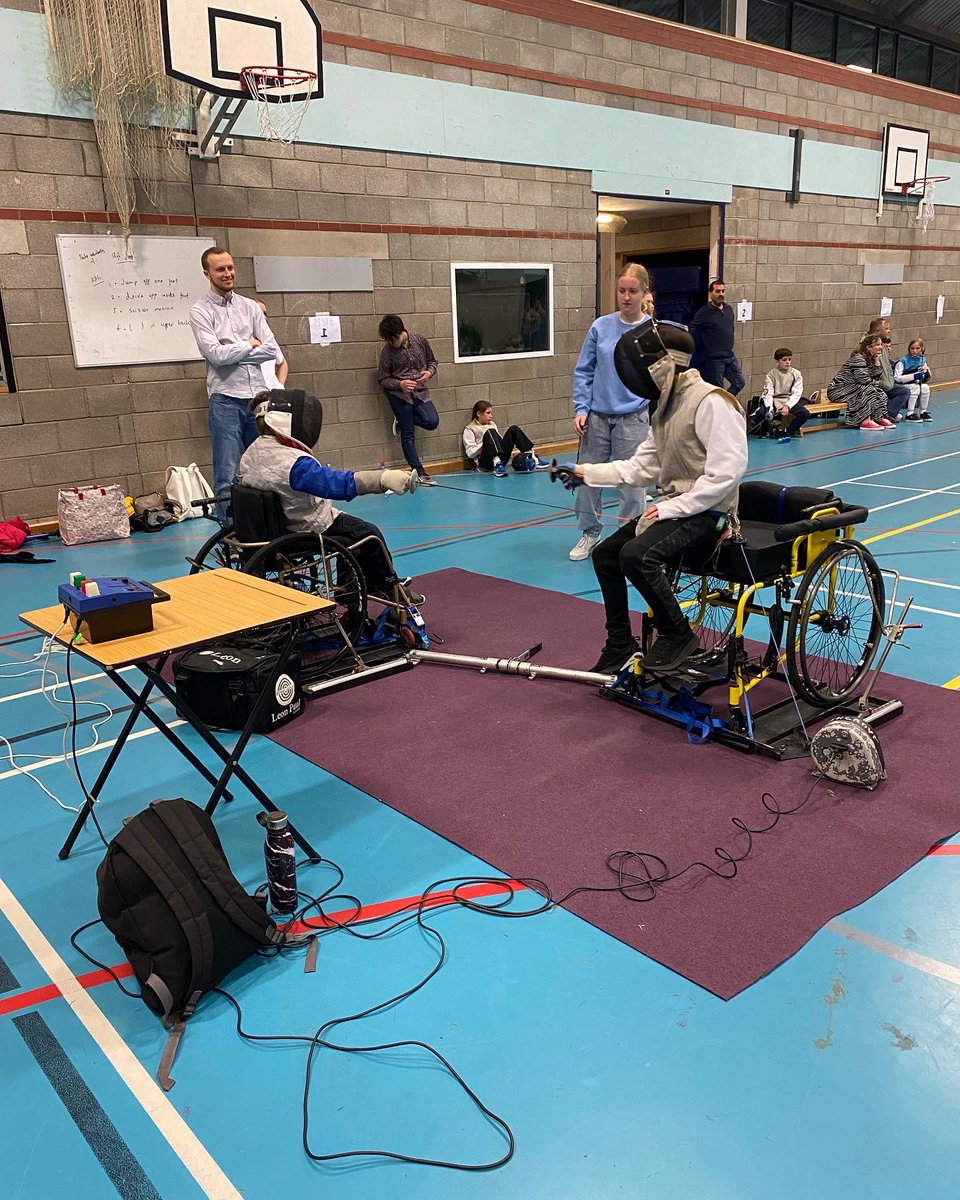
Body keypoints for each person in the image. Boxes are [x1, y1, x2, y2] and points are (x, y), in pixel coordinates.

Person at [555, 320, 748, 676]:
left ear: (662, 367)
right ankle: (619, 643)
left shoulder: (713, 403)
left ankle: (678, 633)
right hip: (677, 510)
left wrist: (670, 507)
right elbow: (640, 468)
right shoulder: (665, 408)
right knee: (606, 556)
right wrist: (585, 472)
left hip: (711, 514)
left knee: (635, 556)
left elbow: (725, 476)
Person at [236, 388, 418, 598]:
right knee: (369, 535)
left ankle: (351, 587)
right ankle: (390, 590)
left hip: (273, 527)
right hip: (304, 527)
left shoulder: (251, 453)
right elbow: (336, 484)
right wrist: (382, 479)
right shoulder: (294, 465)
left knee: (350, 533)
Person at [568, 262, 652, 562]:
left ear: (644, 293)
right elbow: (584, 371)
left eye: (633, 291)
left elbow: (662, 378)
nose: (626, 297)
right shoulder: (600, 327)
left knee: (632, 485)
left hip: (633, 419)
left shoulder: (651, 331)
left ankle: (630, 540)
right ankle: (590, 532)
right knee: (587, 479)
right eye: (621, 291)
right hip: (597, 418)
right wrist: (581, 408)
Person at [189, 247, 281, 519]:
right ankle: (230, 537)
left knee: (262, 468)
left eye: (230, 267)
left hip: (258, 400)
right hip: (225, 400)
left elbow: (271, 350)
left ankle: (262, 532)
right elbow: (216, 356)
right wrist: (248, 344)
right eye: (220, 269)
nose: (227, 273)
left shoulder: (250, 307)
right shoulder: (200, 312)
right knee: (227, 475)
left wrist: (237, 350)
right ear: (207, 273)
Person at [377, 314, 440, 486]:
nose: (391, 343)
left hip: (420, 392)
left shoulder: (419, 339)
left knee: (432, 421)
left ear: (401, 332)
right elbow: (382, 379)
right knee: (408, 433)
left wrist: (429, 373)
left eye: (392, 339)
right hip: (399, 395)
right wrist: (400, 384)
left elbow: (432, 362)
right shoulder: (387, 351)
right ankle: (419, 472)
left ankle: (403, 421)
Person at [690, 279, 745, 398]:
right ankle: (719, 410)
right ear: (711, 293)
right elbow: (692, 330)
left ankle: (724, 403)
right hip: (713, 359)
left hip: (729, 356)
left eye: (723, 291)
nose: (721, 294)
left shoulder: (728, 309)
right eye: (718, 291)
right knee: (717, 391)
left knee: (739, 382)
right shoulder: (704, 312)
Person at [462, 401, 549, 476]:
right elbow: (470, 453)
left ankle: (533, 457)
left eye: (491, 413)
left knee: (513, 429)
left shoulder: (492, 424)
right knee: (490, 432)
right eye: (488, 413)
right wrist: (484, 444)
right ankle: (497, 464)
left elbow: (498, 441)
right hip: (485, 463)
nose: (491, 416)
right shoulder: (470, 429)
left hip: (501, 458)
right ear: (478, 414)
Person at [829, 335, 895, 430]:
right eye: (877, 345)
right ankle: (864, 420)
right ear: (869, 348)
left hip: (855, 387)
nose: (881, 347)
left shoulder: (870, 359)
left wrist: (877, 362)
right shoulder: (858, 359)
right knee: (866, 390)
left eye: (881, 344)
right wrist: (874, 382)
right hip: (838, 390)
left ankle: (879, 417)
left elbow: (875, 377)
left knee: (880, 392)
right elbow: (863, 380)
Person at [760, 347, 809, 443]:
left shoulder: (796, 374)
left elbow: (797, 393)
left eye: (789, 359)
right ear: (777, 361)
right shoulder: (771, 374)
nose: (788, 362)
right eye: (784, 360)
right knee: (761, 414)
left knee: (805, 414)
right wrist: (769, 408)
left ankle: (787, 432)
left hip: (789, 399)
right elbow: (768, 393)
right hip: (774, 399)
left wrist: (787, 405)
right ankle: (767, 431)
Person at [867, 317, 911, 421]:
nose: (889, 331)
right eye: (886, 328)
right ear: (878, 331)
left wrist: (890, 382)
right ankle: (883, 416)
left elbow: (887, 367)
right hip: (875, 384)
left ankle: (888, 415)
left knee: (904, 391)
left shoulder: (882, 346)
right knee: (882, 394)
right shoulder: (867, 347)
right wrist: (879, 383)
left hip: (886, 383)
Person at [895, 338, 933, 421]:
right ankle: (910, 413)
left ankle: (923, 412)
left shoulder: (922, 359)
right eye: (912, 348)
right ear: (909, 349)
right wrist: (913, 376)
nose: (915, 351)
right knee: (914, 387)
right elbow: (897, 378)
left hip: (916, 383)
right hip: (903, 384)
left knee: (925, 387)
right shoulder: (903, 360)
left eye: (917, 348)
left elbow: (927, 376)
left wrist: (926, 373)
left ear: (922, 349)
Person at [255, 300, 288, 391]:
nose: (263, 317)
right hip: (252, 397)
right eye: (258, 312)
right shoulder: (242, 340)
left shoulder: (269, 339)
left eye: (265, 313)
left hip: (271, 395)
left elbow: (282, 363)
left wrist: (279, 387)